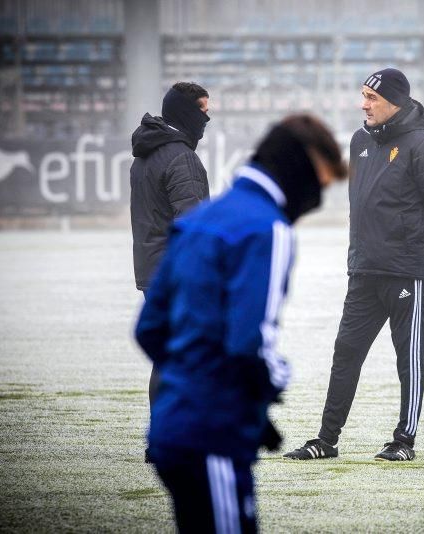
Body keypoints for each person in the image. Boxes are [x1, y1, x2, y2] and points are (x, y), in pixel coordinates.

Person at [135, 114, 347, 532]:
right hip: (213, 431)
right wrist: (265, 389)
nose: (319, 196)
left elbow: (149, 328)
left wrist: (188, 378)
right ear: (298, 168)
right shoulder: (267, 227)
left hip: (169, 429)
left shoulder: (201, 218)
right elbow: (250, 342)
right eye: (321, 182)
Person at [284, 67, 424, 462]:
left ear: (395, 102)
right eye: (362, 95)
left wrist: (419, 256)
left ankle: (404, 441)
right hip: (363, 270)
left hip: (406, 273)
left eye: (372, 97)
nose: (363, 104)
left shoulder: (423, 145)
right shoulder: (359, 141)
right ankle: (326, 440)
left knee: (408, 357)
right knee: (346, 351)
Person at [130, 81, 211, 462]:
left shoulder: (146, 154)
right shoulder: (181, 158)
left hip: (154, 268)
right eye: (203, 109)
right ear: (185, 112)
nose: (208, 117)